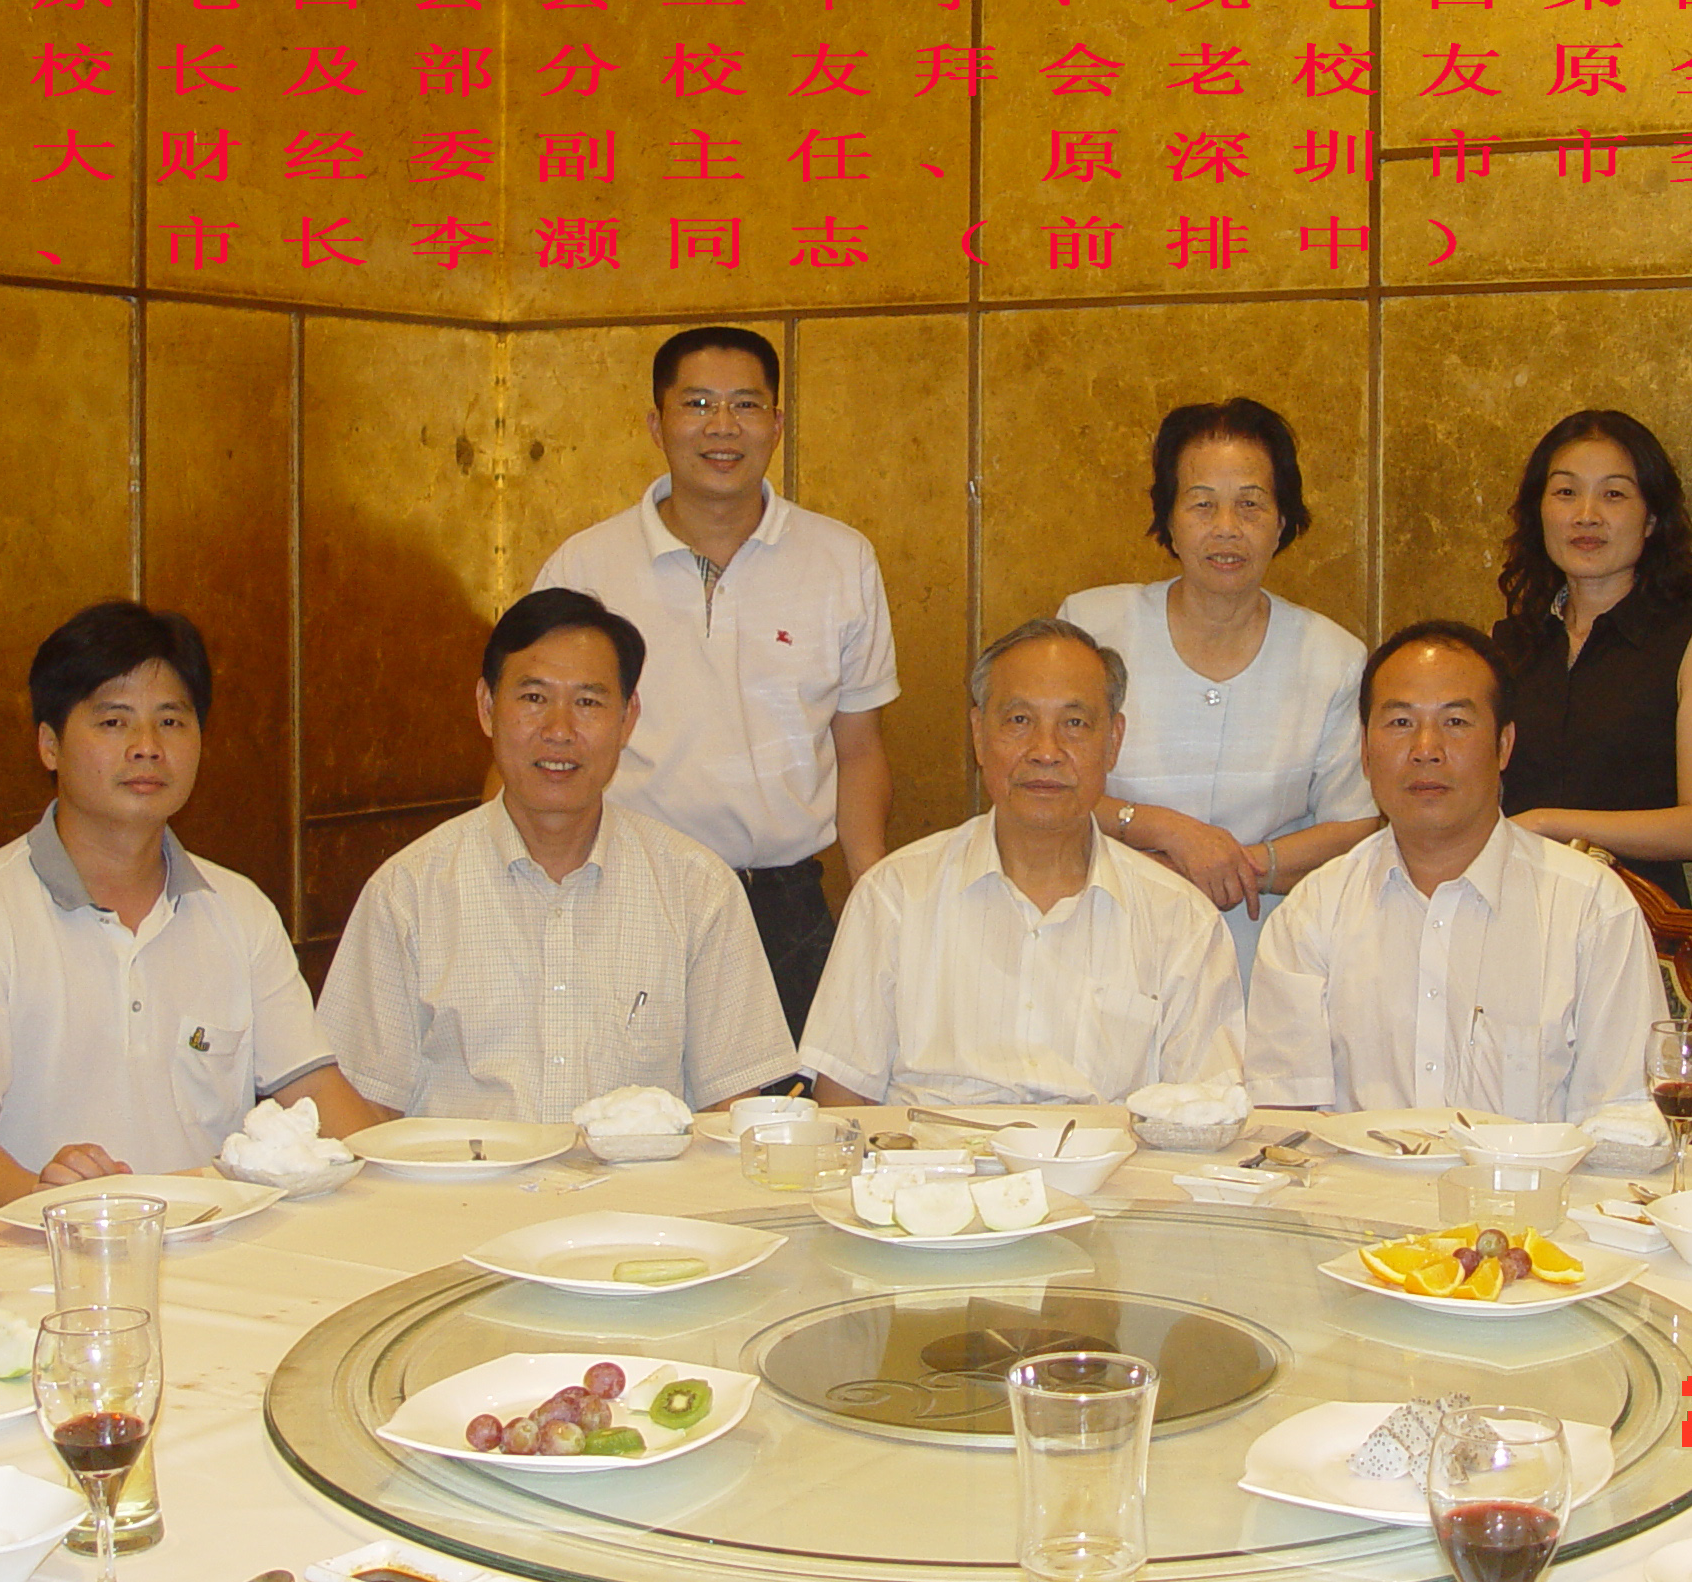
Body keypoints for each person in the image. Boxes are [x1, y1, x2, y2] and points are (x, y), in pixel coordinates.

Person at [0, 602, 380, 1220]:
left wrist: (400, 1182)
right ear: (49, 745)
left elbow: (316, 1093)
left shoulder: (239, 911)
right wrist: (71, 1215)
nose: (148, 747)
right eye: (113, 722)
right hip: (39, 1256)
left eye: (171, 721)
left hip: (216, 1246)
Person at [531, 324, 896, 1040]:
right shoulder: (586, 566)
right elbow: (531, 742)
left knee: (788, 1103)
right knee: (627, 1098)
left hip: (783, 905)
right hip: (624, 895)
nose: (722, 427)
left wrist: (873, 894)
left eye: (745, 405)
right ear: (656, 424)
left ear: (777, 425)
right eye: (697, 404)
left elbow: (860, 749)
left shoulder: (841, 559)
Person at [317, 590, 796, 1122]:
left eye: (588, 703)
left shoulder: (697, 890)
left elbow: (731, 1111)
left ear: (628, 718)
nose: (559, 731)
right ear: (486, 707)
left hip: (641, 1180)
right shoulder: (408, 892)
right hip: (464, 1177)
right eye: (533, 698)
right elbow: (364, 1110)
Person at [800, 618, 1244, 1108]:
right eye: (1018, 721)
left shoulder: (1180, 919)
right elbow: (841, 1105)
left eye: (1074, 724)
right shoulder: (895, 895)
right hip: (927, 1154)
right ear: (978, 734)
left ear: (1114, 741)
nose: (1045, 752)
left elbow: (1205, 1113)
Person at [1245, 620, 1663, 1119]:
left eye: (1456, 722)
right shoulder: (1312, 913)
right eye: (1401, 722)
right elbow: (1283, 1127)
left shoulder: (1590, 908)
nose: (1426, 749)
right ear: (1364, 751)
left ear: (1504, 746)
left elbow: (1625, 1122)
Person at [1058, 398, 1377, 988]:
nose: (1227, 527)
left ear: (1282, 521)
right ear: (1169, 519)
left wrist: (1235, 866)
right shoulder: (1092, 628)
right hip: (1103, 947)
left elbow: (1354, 826)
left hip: (1269, 956)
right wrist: (1169, 833)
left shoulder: (1333, 657)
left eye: (1251, 504)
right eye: (1202, 503)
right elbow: (1045, 785)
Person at [1492, 409, 1692, 909]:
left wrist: (1546, 823)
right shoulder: (1507, 644)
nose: (1587, 515)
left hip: (1639, 921)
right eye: (1566, 492)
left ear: (1651, 519)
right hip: (1515, 912)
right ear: (1538, 511)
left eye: (1614, 494)